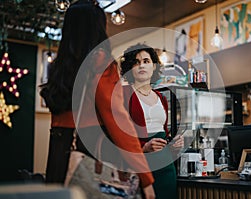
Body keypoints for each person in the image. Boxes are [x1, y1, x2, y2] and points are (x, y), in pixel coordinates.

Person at [39, 1, 155, 198]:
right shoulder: (99, 62)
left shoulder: (61, 65)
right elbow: (117, 122)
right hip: (89, 158)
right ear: (97, 28)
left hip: (59, 159)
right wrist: (146, 179)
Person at [121, 43, 184, 199]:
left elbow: (165, 133)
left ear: (154, 66)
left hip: (165, 164)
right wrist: (144, 148)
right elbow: (118, 134)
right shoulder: (123, 94)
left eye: (146, 61)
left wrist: (174, 144)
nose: (141, 65)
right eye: (136, 62)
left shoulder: (161, 98)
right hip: (139, 163)